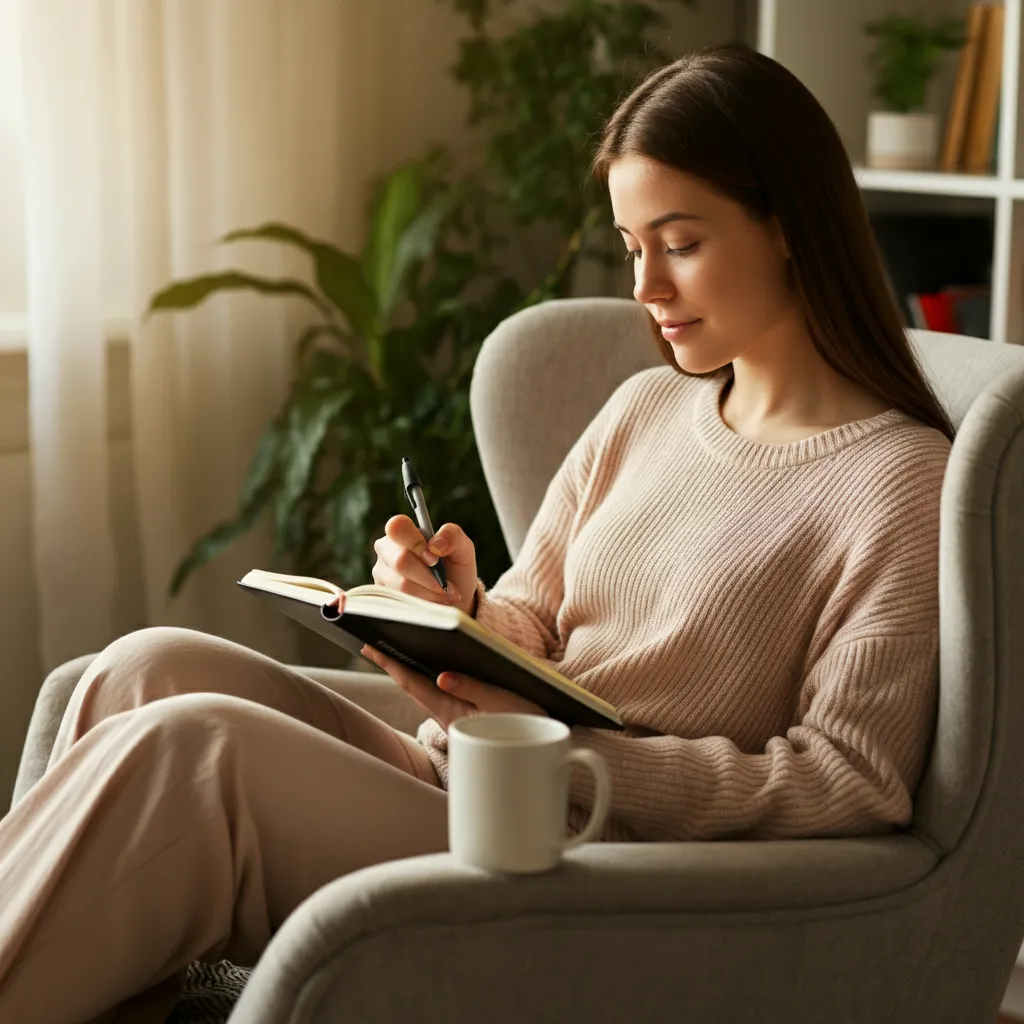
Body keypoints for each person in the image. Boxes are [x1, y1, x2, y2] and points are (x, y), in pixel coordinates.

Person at [0, 42, 953, 1022]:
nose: (646, 289)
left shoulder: (897, 478)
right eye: (632, 246)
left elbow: (852, 780)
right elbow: (536, 620)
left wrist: (578, 764)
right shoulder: (644, 409)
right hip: (476, 774)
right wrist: (460, 613)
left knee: (197, 753)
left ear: (788, 224)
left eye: (680, 242)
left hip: (585, 854)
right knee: (144, 668)